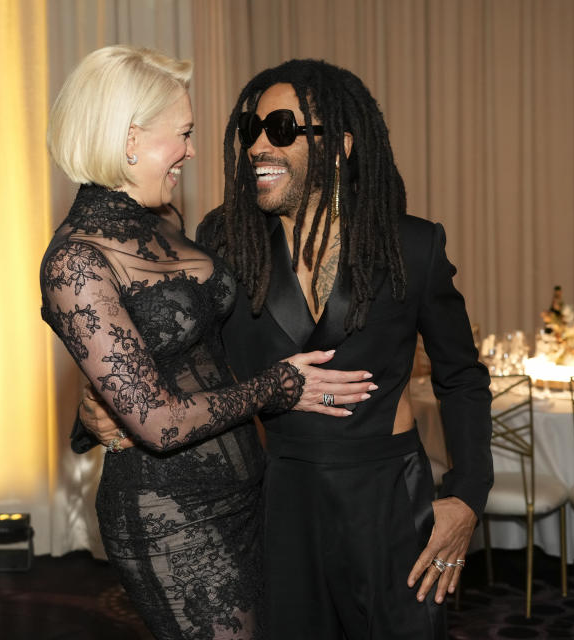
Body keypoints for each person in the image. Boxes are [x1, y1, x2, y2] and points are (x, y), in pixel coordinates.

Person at [88, 58, 493, 639]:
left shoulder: (411, 245)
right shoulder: (225, 240)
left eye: (280, 129)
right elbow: (178, 356)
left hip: (387, 500)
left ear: (338, 147)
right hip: (276, 499)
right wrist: (99, 405)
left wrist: (466, 496)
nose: (257, 145)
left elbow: (462, 378)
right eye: (251, 130)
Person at [40, 46, 375, 640]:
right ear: (131, 138)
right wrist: (280, 385)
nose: (194, 151)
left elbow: (185, 353)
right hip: (172, 515)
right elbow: (158, 422)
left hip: (249, 489)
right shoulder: (76, 260)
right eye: (185, 133)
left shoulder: (163, 219)